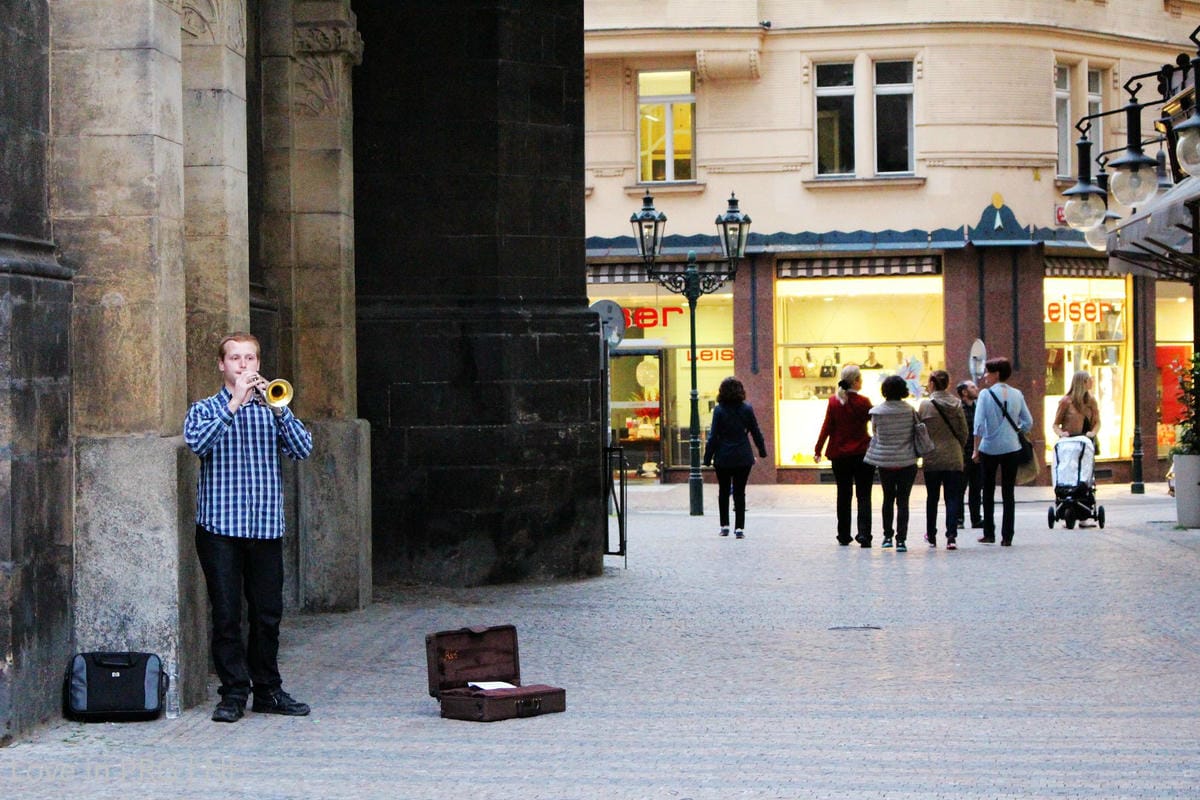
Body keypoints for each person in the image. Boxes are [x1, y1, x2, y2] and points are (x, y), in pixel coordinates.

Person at [184, 332, 314, 723]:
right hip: (220, 528)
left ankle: (268, 691)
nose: (244, 365)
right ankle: (233, 693)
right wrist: (235, 403)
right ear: (222, 365)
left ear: (259, 363)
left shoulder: (273, 405)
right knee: (226, 616)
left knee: (267, 616)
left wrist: (280, 411)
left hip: (265, 528)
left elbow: (303, 449)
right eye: (236, 358)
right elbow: (197, 444)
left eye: (251, 358)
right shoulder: (204, 408)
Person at [972, 357, 1033, 547]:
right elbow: (1028, 422)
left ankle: (989, 533)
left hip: (989, 448)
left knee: (987, 491)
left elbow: (978, 425)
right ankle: (1007, 536)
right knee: (1008, 492)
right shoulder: (1017, 394)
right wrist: (1016, 431)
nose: (984, 377)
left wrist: (975, 449)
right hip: (1012, 447)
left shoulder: (985, 395)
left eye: (987, 373)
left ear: (996, 373)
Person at [814, 364, 874, 547]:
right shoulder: (864, 402)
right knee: (864, 495)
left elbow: (827, 427)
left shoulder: (834, 401)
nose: (861, 381)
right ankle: (864, 534)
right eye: (860, 378)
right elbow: (875, 423)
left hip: (839, 455)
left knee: (843, 494)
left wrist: (818, 450)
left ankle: (843, 534)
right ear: (855, 381)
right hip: (862, 454)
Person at [702, 376, 767, 539]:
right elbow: (755, 431)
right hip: (742, 456)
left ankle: (724, 526)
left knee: (723, 491)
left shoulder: (719, 410)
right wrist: (762, 450)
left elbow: (713, 436)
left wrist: (707, 457)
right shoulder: (747, 408)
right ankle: (739, 528)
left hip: (723, 456)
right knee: (740, 492)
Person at [864, 375, 919, 552]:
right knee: (903, 501)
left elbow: (875, 434)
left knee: (888, 498)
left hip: (885, 461)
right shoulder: (910, 410)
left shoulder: (877, 412)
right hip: (906, 460)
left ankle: (887, 536)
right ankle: (901, 540)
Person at [919, 370, 969, 549]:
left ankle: (931, 535)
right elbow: (964, 432)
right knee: (953, 497)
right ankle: (951, 536)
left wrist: (923, 449)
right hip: (953, 457)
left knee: (932, 497)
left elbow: (920, 431)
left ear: (931, 384)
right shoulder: (957, 404)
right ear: (948, 384)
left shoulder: (925, 405)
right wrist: (958, 446)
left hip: (932, 456)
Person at [956, 380, 984, 529]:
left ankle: (976, 518)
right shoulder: (958, 409)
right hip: (963, 454)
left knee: (976, 488)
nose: (976, 388)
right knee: (960, 488)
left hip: (978, 454)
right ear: (964, 392)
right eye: (972, 387)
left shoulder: (979, 407)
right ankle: (959, 519)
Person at [1053, 369, 1101, 447]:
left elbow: (1097, 422)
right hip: (1070, 443)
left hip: (1087, 443)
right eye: (1089, 379)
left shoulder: (1091, 400)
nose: (1092, 382)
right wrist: (1061, 434)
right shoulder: (1065, 401)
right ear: (1083, 382)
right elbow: (1055, 424)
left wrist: (1093, 433)